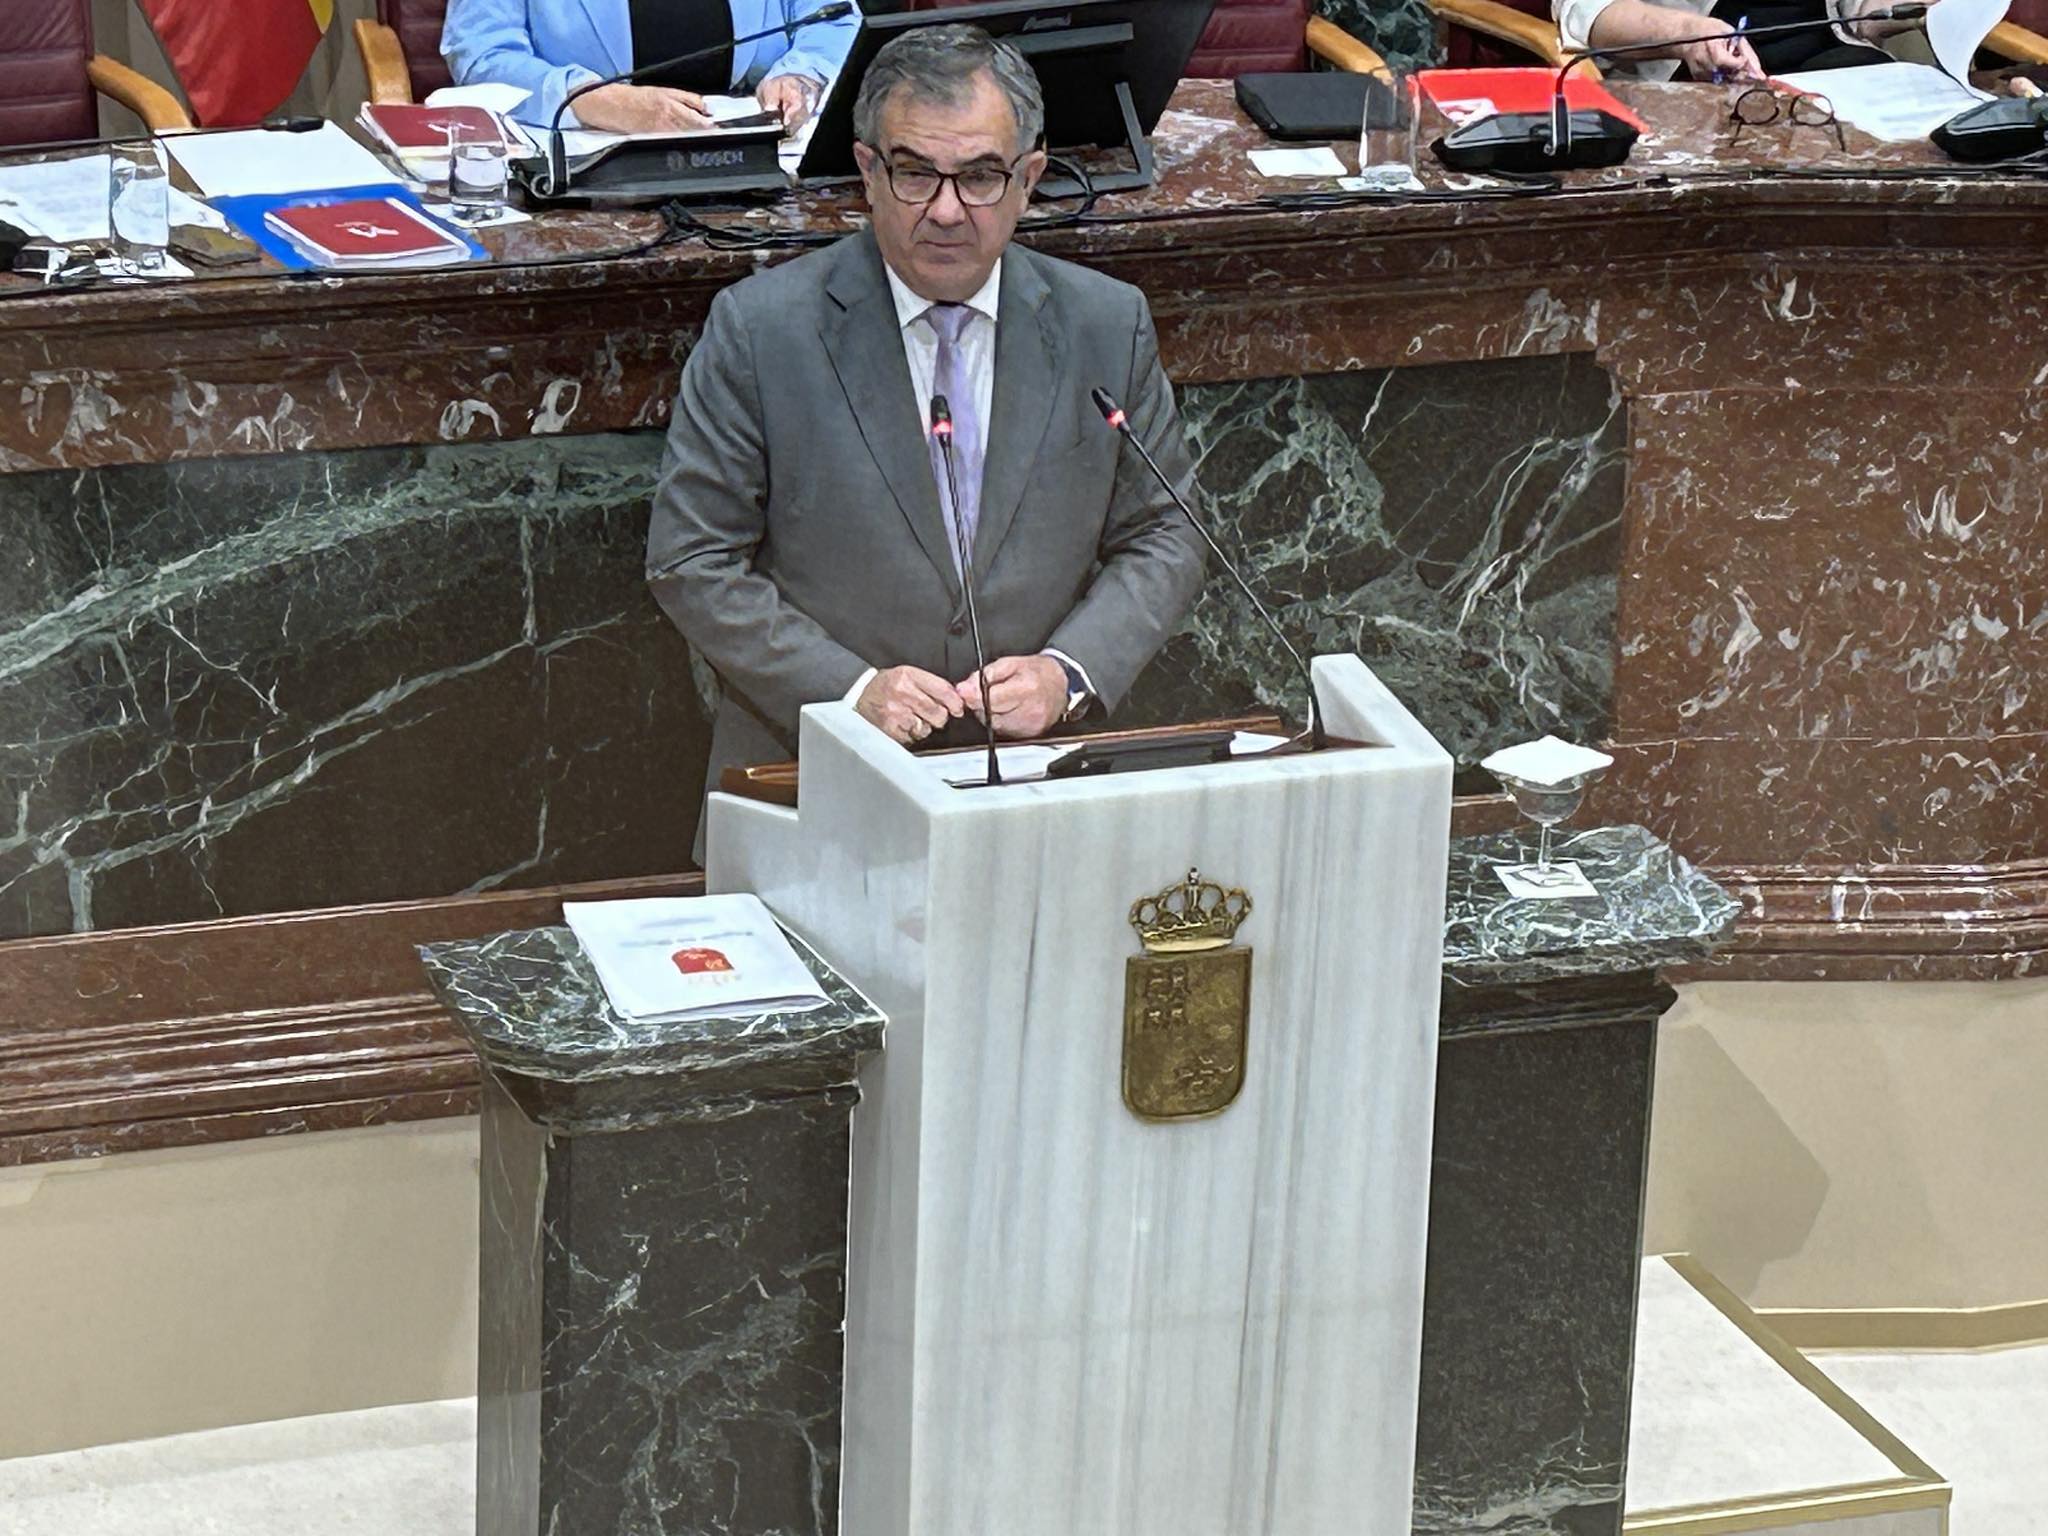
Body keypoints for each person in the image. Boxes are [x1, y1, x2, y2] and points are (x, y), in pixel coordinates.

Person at [645, 23, 1207, 836]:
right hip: (809, 788)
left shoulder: (1105, 324)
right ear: (868, 172)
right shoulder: (761, 331)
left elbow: (1167, 533)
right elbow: (691, 558)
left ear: (1030, 179)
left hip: (1044, 794)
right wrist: (846, 691)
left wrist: (1067, 672)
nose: (947, 212)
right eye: (915, 173)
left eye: (980, 177)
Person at [441, 0, 860, 132]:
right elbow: (481, 54)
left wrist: (803, 75)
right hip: (585, 168)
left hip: (749, 153)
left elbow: (833, 17)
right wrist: (594, 102)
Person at [1555, 0, 1934, 78]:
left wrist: (1894, 9)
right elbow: (1588, 12)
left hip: (1835, 54)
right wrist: (1689, 37)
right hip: (1697, 74)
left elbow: (1859, 15)